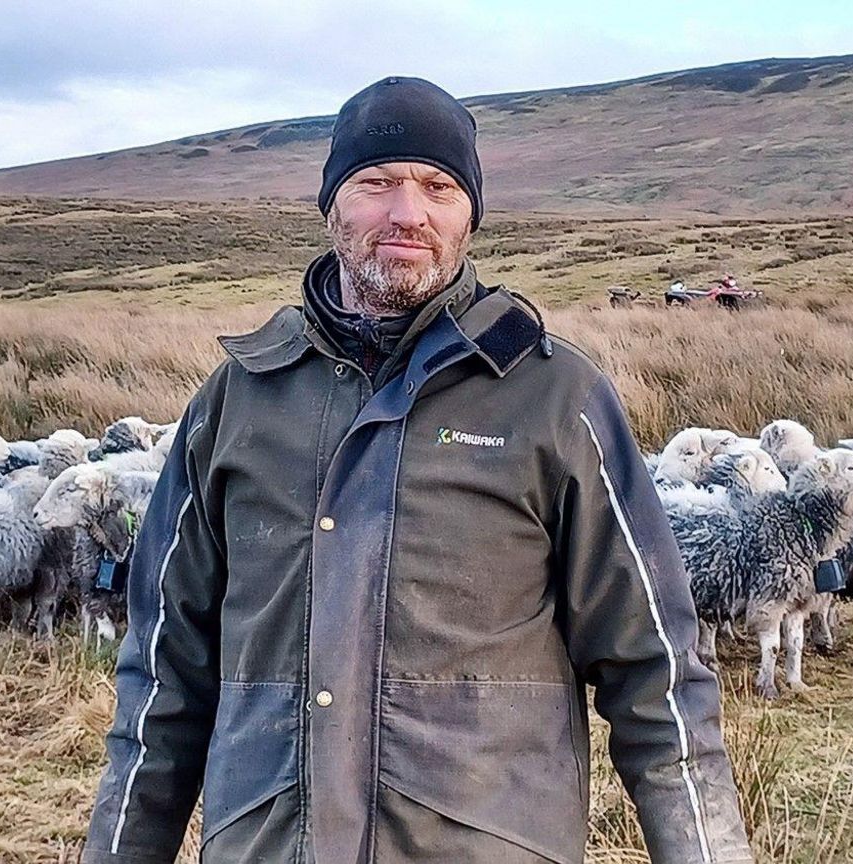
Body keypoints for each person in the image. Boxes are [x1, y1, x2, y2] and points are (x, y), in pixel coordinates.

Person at [81, 75, 754, 864]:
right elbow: (163, 682)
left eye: (438, 187)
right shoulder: (236, 405)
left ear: (470, 215)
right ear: (332, 204)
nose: (408, 213)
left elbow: (658, 678)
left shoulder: (554, 399)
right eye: (376, 183)